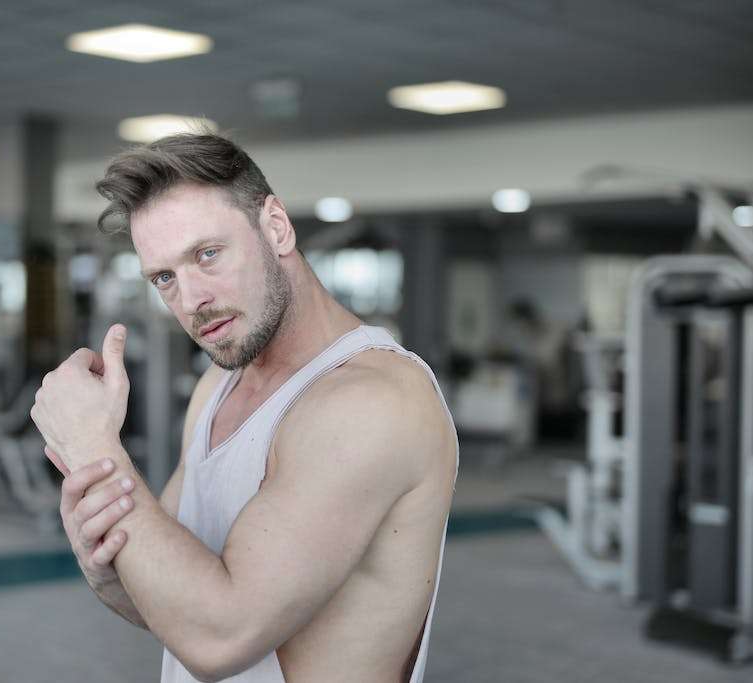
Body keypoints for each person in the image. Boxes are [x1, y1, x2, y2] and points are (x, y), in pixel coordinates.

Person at [30, 134, 458, 683]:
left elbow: (219, 636)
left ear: (275, 226)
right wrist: (107, 568)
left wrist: (92, 444)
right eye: (164, 277)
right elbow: (177, 605)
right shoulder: (219, 387)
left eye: (206, 255)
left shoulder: (371, 400)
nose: (190, 299)